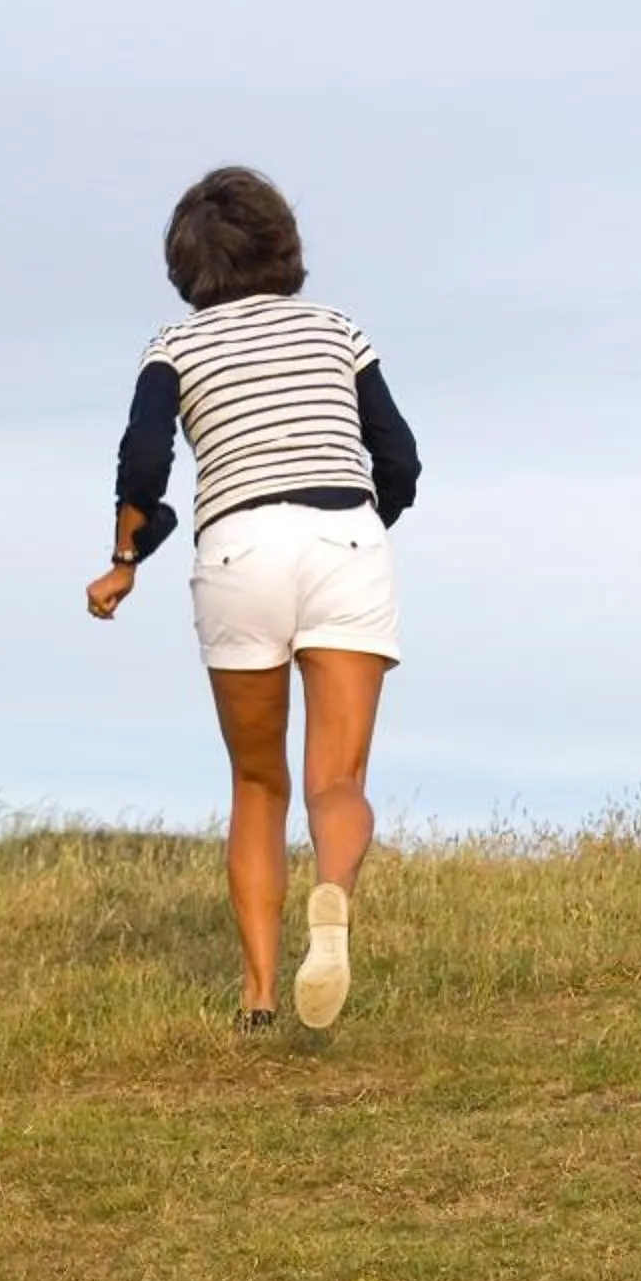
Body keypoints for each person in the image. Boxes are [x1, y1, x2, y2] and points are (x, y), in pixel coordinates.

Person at [85, 167, 420, 1029]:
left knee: (258, 783)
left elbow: (144, 462)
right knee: (336, 780)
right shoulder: (336, 330)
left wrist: (125, 559)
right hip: (344, 534)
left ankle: (262, 996)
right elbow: (400, 454)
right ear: (284, 242)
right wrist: (369, 516)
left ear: (185, 266)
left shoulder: (175, 347)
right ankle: (332, 895)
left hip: (238, 547)